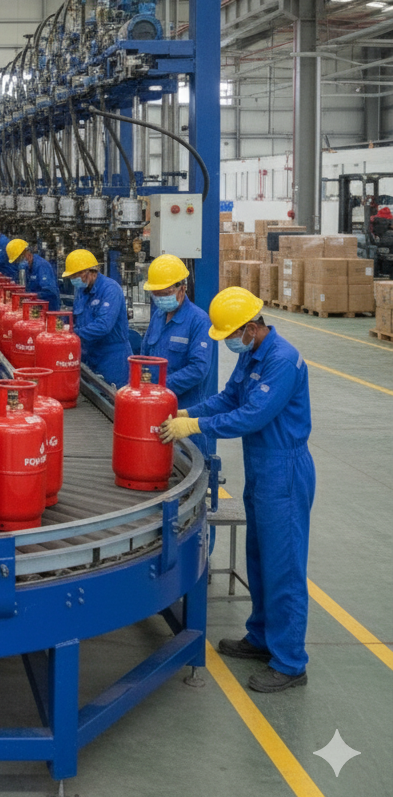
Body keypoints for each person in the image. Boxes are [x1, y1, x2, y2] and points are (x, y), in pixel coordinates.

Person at [160, 287, 314, 694]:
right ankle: (262, 637)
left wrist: (195, 427)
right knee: (259, 556)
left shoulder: (282, 361)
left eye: (231, 334)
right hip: (262, 466)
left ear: (251, 327)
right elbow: (229, 398)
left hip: (285, 468)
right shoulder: (252, 354)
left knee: (284, 566)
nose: (229, 341)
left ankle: (290, 661)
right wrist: (187, 411)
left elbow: (250, 416)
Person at [139, 254, 214, 455]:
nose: (160, 299)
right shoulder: (158, 316)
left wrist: (161, 386)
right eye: (156, 294)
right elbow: (145, 355)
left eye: (165, 293)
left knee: (187, 462)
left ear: (182, 288)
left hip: (184, 410)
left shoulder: (199, 321)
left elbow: (198, 369)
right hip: (155, 405)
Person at [64, 248, 130, 388]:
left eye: (75, 276)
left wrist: (71, 335)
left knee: (111, 397)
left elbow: (103, 326)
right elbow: (76, 315)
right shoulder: (82, 290)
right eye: (71, 277)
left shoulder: (110, 289)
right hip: (90, 354)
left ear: (89, 272)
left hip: (112, 358)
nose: (73, 280)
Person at [7, 239, 61, 311]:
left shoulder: (42, 266)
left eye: (20, 259)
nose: (19, 263)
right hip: (33, 308)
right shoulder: (26, 268)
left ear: (27, 253)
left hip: (48, 309)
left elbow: (50, 292)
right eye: (17, 261)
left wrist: (30, 296)